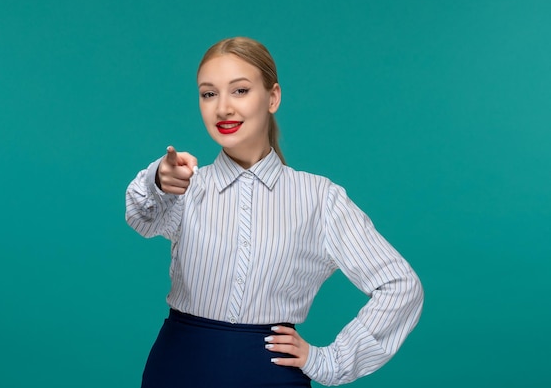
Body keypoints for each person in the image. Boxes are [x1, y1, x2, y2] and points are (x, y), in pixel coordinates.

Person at [125, 36, 424, 387]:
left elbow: (401, 286)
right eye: (209, 94)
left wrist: (331, 360)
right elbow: (142, 217)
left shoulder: (319, 199)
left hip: (269, 374)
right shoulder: (187, 186)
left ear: (273, 97)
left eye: (239, 90)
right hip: (177, 369)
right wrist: (159, 179)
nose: (223, 108)